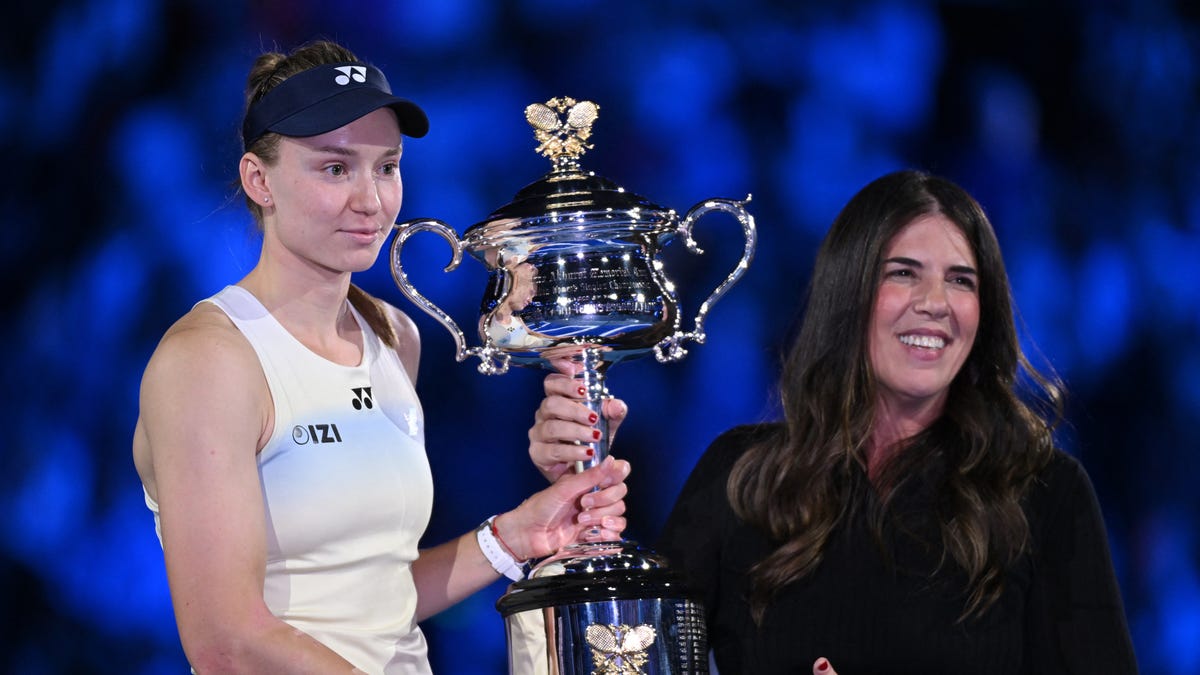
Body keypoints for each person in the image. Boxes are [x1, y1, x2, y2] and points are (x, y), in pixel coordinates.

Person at [131, 39, 630, 674]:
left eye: (386, 167)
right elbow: (227, 641)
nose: (370, 200)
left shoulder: (395, 335)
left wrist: (512, 537)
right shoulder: (209, 360)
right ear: (260, 180)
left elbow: (375, 599)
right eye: (335, 169)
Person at [528, 170, 1138, 673]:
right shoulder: (743, 477)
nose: (936, 303)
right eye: (903, 272)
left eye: (961, 280)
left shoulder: (1044, 494)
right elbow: (634, 661)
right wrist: (578, 505)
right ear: (849, 293)